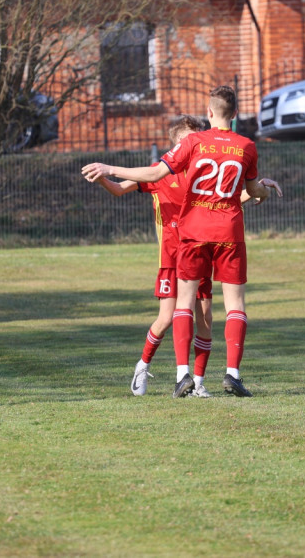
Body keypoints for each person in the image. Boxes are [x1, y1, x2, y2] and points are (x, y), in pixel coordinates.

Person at [83, 85, 272, 398]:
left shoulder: (195, 154)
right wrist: (106, 175)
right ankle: (154, 367)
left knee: (204, 315)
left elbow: (224, 192)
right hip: (194, 246)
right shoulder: (238, 148)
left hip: (195, 239)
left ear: (209, 116)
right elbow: (132, 183)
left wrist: (109, 166)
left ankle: (193, 380)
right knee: (178, 314)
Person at [92, 115, 216, 398]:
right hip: (171, 259)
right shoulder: (158, 172)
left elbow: (230, 198)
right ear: (177, 144)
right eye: (189, 139)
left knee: (205, 318)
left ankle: (198, 383)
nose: (195, 144)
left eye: (198, 139)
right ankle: (143, 364)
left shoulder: (205, 173)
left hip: (199, 254)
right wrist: (102, 178)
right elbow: (118, 189)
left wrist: (256, 190)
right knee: (167, 318)